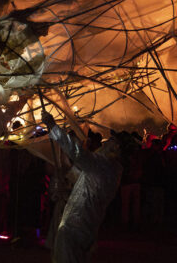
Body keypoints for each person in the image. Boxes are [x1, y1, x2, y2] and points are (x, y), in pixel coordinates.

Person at [41, 112, 122, 263]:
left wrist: (53, 127)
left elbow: (76, 152)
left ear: (116, 148)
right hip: (87, 229)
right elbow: (80, 179)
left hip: (73, 228)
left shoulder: (100, 164)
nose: (103, 144)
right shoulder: (114, 170)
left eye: (109, 142)